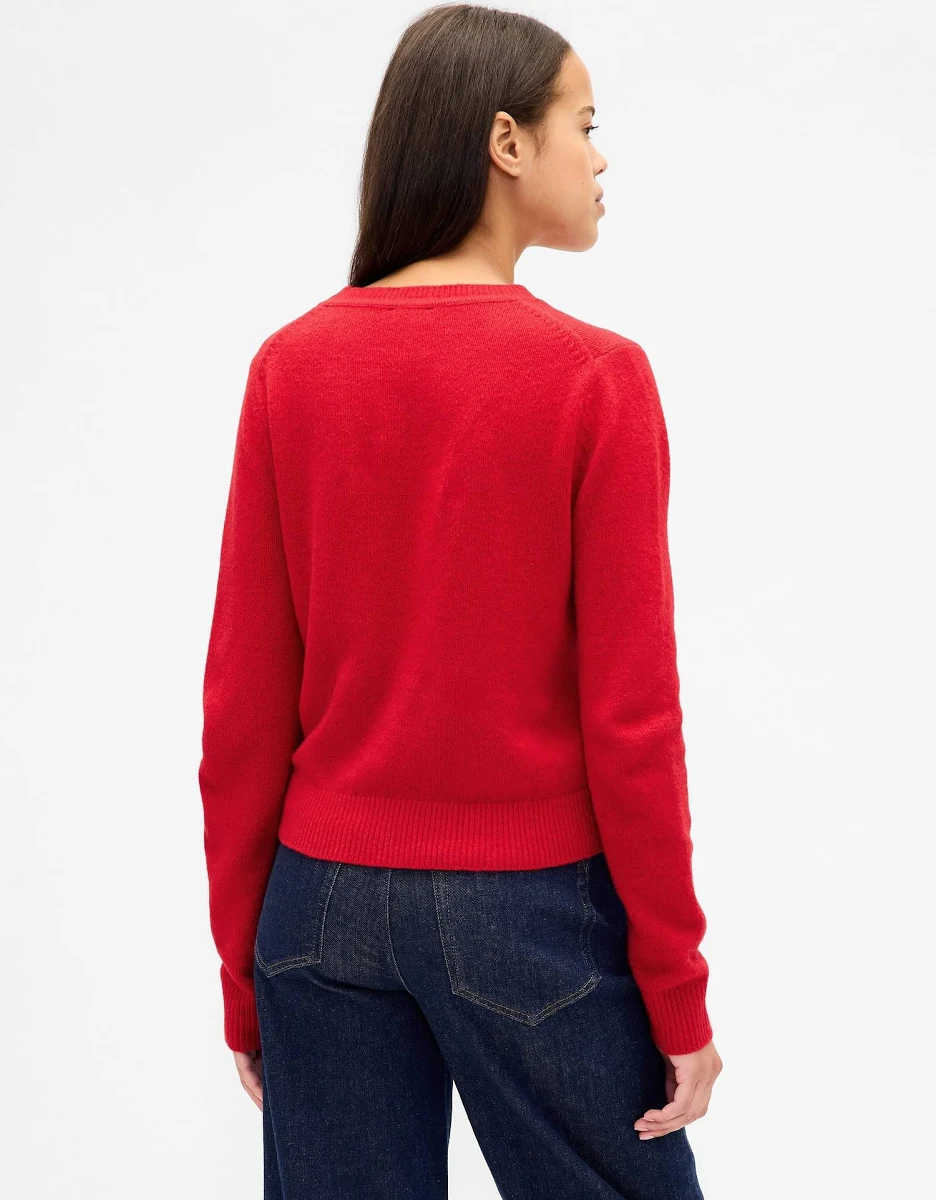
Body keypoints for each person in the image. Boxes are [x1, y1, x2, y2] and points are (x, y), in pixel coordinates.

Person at [198, 4, 722, 1196]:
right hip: (526, 914)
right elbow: (633, 722)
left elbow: (241, 709)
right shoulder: (594, 378)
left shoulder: (292, 367)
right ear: (506, 141)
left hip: (317, 911)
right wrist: (677, 991)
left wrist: (245, 971)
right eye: (583, 124)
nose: (601, 157)